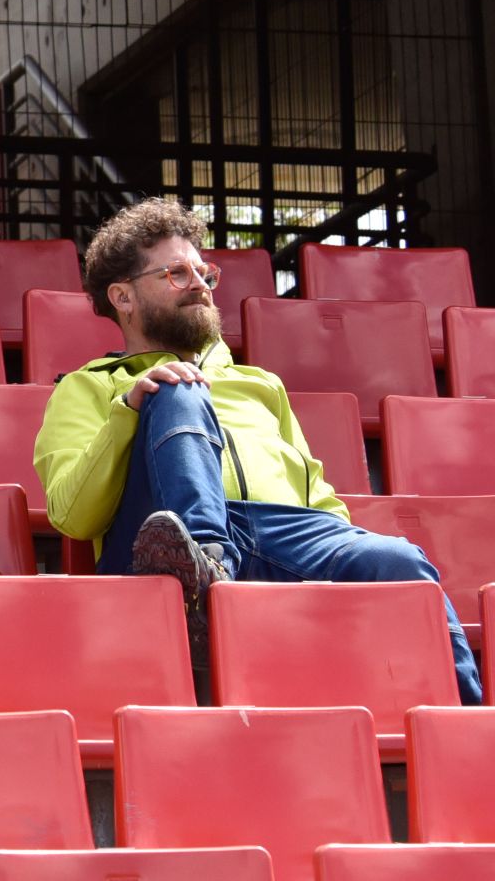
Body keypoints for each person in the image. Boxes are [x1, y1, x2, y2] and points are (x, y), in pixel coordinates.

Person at [34, 198, 481, 703]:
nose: (199, 284)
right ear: (123, 296)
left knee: (398, 560)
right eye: (176, 273)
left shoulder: (261, 384)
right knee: (178, 388)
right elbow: (72, 516)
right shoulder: (87, 387)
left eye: (203, 272)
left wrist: (344, 546)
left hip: (279, 535)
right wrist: (129, 408)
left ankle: (469, 725)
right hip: (157, 541)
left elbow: (316, 495)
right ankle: (203, 563)